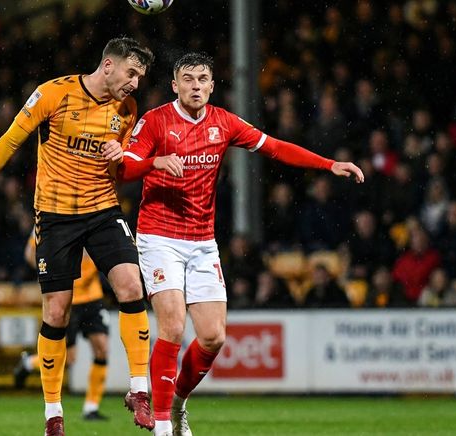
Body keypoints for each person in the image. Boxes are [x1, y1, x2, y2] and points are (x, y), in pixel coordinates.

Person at [114, 52, 363, 436]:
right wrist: (156, 163)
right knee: (173, 325)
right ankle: (162, 425)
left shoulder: (224, 122)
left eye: (202, 79)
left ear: (212, 86)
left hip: (202, 241)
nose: (195, 86)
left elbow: (275, 147)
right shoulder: (156, 120)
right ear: (175, 85)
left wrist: (328, 164)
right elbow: (124, 169)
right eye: (187, 79)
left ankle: (178, 404)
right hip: (159, 236)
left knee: (214, 337)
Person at [0, 37, 156, 435]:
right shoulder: (53, 94)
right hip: (56, 217)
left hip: (102, 209)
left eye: (140, 77)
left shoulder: (127, 109)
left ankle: (138, 391)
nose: (135, 84)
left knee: (132, 286)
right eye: (131, 73)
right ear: (108, 66)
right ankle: (53, 414)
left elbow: (121, 171)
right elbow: (11, 139)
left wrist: (124, 159)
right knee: (56, 313)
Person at [14, 229, 110, 421]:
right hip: (68, 297)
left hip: (92, 297)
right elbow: (30, 253)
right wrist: (50, 273)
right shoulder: (49, 218)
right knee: (69, 358)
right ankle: (29, 363)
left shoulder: (93, 214)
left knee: (102, 349)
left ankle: (91, 407)